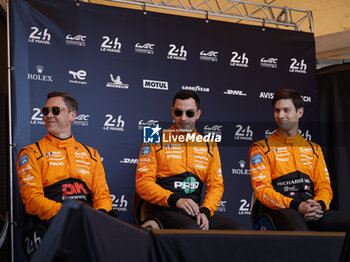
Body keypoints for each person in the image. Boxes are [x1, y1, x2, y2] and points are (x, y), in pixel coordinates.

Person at [17, 91, 113, 256]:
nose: (48, 115)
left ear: (72, 115)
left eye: (55, 110)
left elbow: (103, 196)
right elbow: (33, 201)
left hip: (88, 223)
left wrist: (99, 218)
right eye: (45, 111)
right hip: (54, 225)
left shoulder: (92, 154)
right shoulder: (31, 153)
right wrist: (69, 215)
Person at [136, 90, 246, 230]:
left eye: (189, 113)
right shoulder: (154, 137)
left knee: (241, 232)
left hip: (195, 213)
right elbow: (143, 183)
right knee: (192, 230)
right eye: (178, 112)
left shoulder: (209, 145)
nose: (183, 118)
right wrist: (176, 200)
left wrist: (206, 211)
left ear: (198, 114)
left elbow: (216, 186)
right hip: (165, 209)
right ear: (172, 112)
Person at [249, 89, 349, 231]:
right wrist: (296, 205)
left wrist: (319, 205)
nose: (280, 115)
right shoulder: (261, 148)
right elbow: (262, 191)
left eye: (286, 110)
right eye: (277, 111)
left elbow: (324, 186)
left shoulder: (314, 149)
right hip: (280, 209)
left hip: (310, 208)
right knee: (298, 228)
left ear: (300, 112)